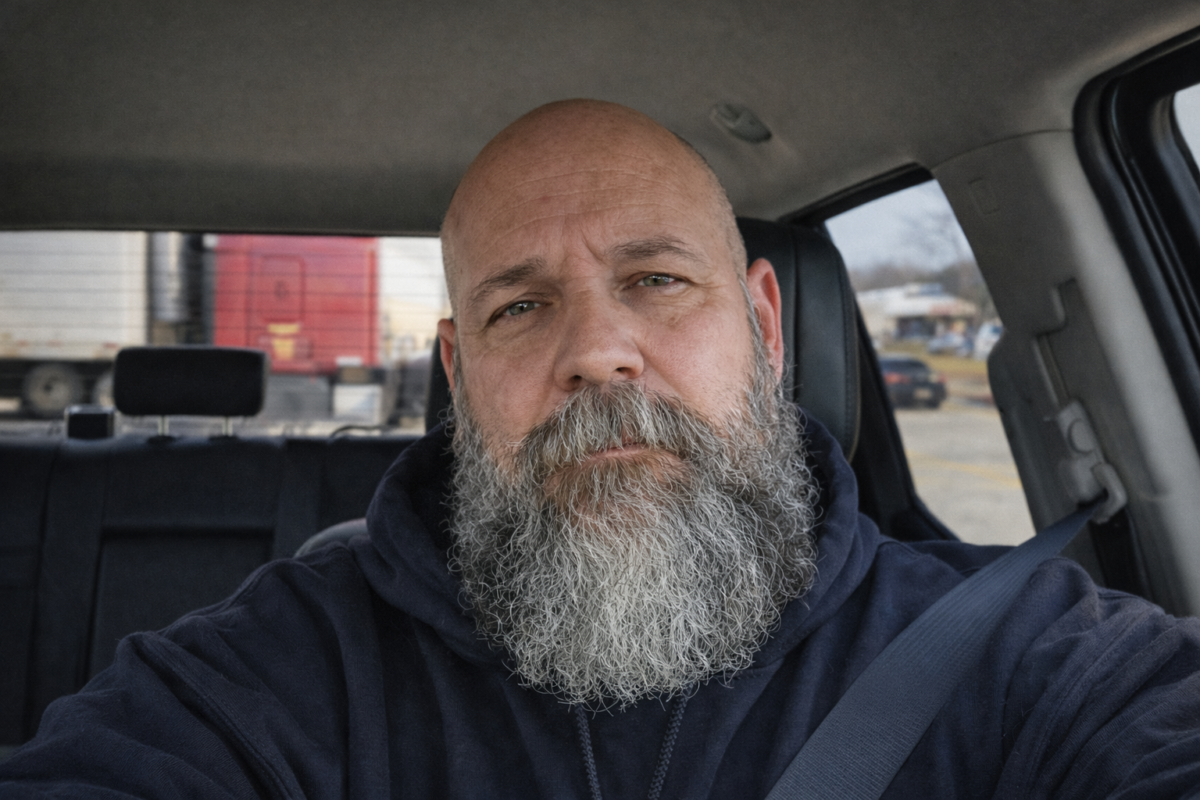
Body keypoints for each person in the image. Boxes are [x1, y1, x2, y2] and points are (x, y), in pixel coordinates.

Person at [4, 99, 1200, 799]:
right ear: (460, 377)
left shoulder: (1030, 653)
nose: (598, 350)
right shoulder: (277, 669)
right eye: (520, 307)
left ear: (766, 329)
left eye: (657, 279)